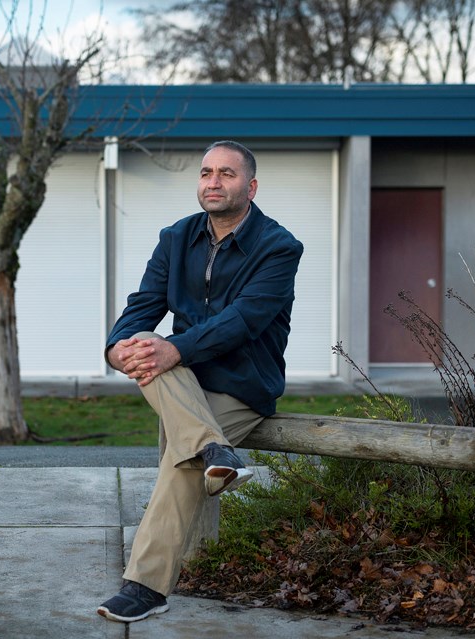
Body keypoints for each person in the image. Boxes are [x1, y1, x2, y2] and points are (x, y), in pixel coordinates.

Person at [96, 140, 303, 623]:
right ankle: (216, 454)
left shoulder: (279, 246)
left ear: (250, 187)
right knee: (145, 344)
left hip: (242, 383)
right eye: (207, 172)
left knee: (183, 460)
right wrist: (116, 348)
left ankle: (146, 586)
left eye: (227, 174)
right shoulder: (176, 237)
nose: (213, 182)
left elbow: (243, 320)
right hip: (182, 377)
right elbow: (142, 305)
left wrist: (174, 349)